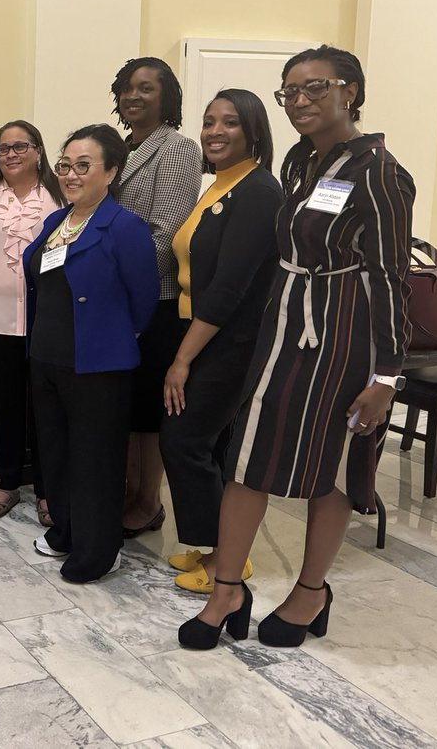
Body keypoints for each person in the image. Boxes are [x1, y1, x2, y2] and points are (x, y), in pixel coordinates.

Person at [179, 46, 415, 651]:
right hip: (285, 324)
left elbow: (391, 277)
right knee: (248, 456)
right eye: (291, 92)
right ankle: (226, 587)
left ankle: (311, 591)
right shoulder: (300, 164)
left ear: (351, 92)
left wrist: (387, 376)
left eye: (316, 88)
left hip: (345, 331)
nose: (301, 102)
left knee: (332, 463)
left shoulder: (380, 172)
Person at [159, 89, 282, 593]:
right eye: (209, 121)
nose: (214, 131)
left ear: (253, 131)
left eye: (229, 123)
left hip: (227, 340)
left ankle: (228, 559)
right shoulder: (218, 187)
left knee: (186, 439)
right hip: (198, 330)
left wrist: (182, 360)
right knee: (201, 443)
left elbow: (230, 288)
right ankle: (209, 542)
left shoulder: (258, 191)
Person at [24, 124, 158, 582]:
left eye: (84, 166)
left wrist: (108, 337)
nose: (71, 174)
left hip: (99, 364)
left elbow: (142, 302)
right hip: (47, 358)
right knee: (57, 452)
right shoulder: (55, 222)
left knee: (95, 460)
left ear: (111, 171)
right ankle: (66, 529)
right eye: (65, 165)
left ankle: (98, 549)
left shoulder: (124, 227)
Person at [110, 57, 202, 539]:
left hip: (154, 299)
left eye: (146, 88)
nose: (133, 96)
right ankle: (127, 491)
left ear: (167, 97)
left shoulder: (179, 149)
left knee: (148, 411)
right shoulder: (117, 147)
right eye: (127, 88)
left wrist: (117, 281)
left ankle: (147, 502)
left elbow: (166, 232)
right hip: (114, 304)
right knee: (123, 405)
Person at [0, 120, 62, 522]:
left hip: (49, 320)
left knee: (46, 406)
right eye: (3, 148)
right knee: (6, 404)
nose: (10, 154)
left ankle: (47, 489)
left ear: (39, 150)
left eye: (20, 146)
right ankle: (8, 482)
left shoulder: (60, 199)